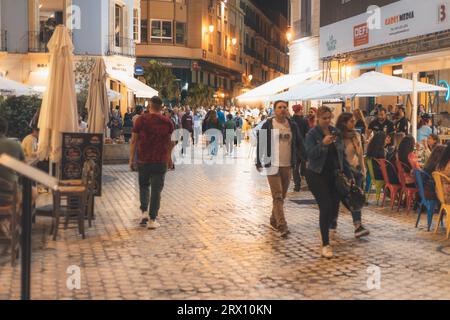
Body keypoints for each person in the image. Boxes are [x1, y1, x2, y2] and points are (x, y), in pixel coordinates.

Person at [305, 106, 352, 258]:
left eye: (329, 118)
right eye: (324, 118)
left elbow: (342, 155)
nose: (327, 121)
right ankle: (325, 244)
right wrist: (323, 144)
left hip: (334, 175)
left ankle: (328, 228)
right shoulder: (313, 134)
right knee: (325, 207)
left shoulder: (336, 132)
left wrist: (349, 173)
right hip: (316, 174)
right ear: (318, 118)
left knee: (333, 207)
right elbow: (310, 154)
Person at [256, 100, 306, 238]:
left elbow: (300, 143)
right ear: (274, 110)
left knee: (282, 196)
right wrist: (259, 161)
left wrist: (307, 158)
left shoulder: (292, 125)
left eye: (285, 107)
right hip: (272, 165)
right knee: (277, 195)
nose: (282, 109)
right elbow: (261, 143)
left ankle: (274, 218)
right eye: (279, 107)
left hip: (287, 165)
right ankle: (282, 225)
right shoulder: (268, 125)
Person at [129, 96, 175, 229]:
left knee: (144, 186)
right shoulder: (168, 122)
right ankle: (152, 220)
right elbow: (171, 143)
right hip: (160, 160)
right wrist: (170, 159)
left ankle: (144, 212)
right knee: (156, 190)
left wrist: (131, 159)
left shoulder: (140, 120)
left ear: (150, 106)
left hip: (143, 159)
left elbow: (133, 141)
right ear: (161, 107)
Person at [336, 113, 370, 238]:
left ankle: (358, 225)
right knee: (338, 200)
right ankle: (331, 223)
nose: (353, 123)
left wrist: (363, 169)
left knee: (356, 199)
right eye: (351, 121)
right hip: (342, 173)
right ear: (344, 122)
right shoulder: (337, 136)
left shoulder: (356, 135)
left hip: (356, 171)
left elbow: (360, 154)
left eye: (354, 121)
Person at [291, 104, 310, 192]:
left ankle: (297, 185)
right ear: (300, 110)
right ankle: (307, 182)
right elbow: (307, 134)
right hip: (302, 146)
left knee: (295, 167)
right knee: (304, 165)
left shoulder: (290, 120)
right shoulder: (304, 121)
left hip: (293, 146)